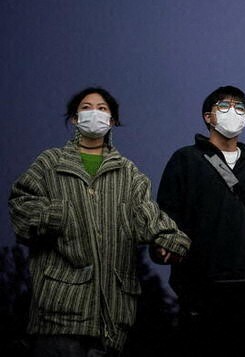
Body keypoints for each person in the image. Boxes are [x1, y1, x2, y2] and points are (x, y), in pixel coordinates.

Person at [8, 86, 190, 356]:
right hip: (58, 314)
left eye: (102, 108)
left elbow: (146, 215)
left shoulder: (129, 173)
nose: (94, 112)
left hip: (113, 318)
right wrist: (59, 215)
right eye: (86, 107)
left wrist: (170, 240)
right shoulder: (50, 163)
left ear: (112, 120)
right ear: (74, 118)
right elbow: (20, 207)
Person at [156, 85, 245, 357]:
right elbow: (166, 215)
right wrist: (162, 247)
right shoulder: (186, 160)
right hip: (204, 291)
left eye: (241, 108)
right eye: (225, 106)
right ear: (208, 116)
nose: (234, 111)